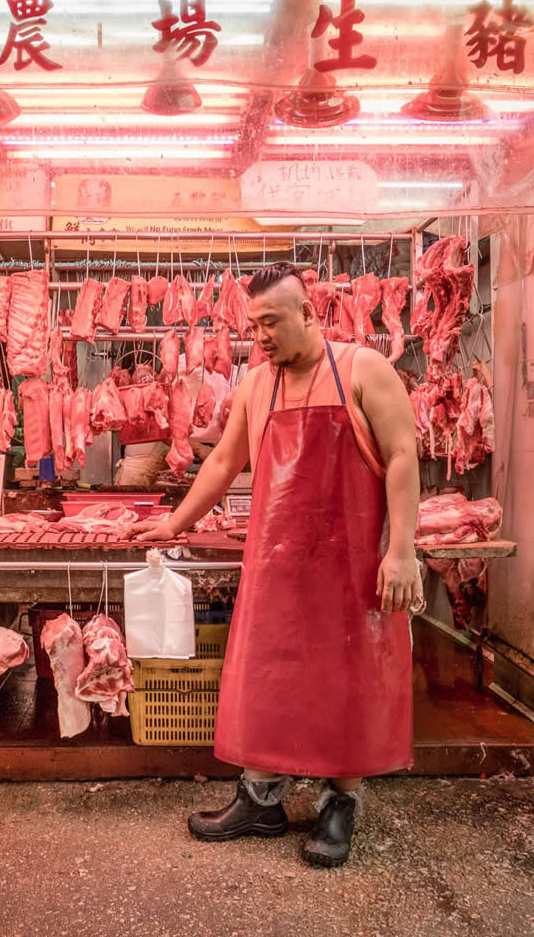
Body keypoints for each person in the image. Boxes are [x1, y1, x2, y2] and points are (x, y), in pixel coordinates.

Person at [135, 261, 422, 868]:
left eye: (271, 323)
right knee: (267, 676)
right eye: (253, 326)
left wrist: (401, 553)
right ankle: (260, 798)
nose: (260, 337)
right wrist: (173, 524)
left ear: (309, 315)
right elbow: (221, 464)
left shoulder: (362, 369)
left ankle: (339, 805)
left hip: (351, 566)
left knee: (349, 681)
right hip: (278, 563)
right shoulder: (256, 385)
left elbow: (402, 455)